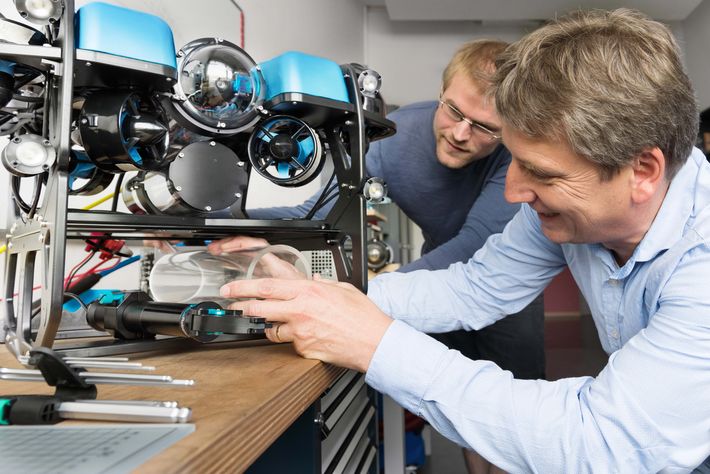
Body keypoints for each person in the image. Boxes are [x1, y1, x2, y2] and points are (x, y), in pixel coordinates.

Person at [220, 8, 710, 472]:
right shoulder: (570, 212)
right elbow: (473, 288)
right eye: (514, 159)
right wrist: (325, 296)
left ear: (642, 171)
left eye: (540, 172)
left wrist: (377, 345)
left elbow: (602, 444)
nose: (514, 192)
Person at [212, 39, 545, 472]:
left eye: (485, 128)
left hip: (505, 292)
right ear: (442, 91)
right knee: (461, 411)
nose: (462, 134)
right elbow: (319, 211)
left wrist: (356, 300)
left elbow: (473, 245)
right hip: (433, 280)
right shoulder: (397, 133)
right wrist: (221, 222)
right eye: (454, 112)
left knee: (511, 419)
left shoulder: (515, 153)